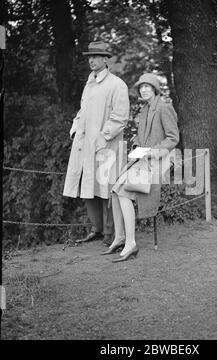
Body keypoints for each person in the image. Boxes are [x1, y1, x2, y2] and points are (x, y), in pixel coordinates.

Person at [101, 73, 180, 262]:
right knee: (115, 189)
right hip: (143, 159)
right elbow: (139, 137)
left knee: (124, 191)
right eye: (141, 87)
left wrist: (152, 151)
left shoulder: (164, 107)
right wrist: (137, 148)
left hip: (159, 161)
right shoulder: (144, 110)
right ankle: (120, 238)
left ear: (155, 89)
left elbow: (173, 138)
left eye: (147, 87)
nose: (144, 90)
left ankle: (130, 244)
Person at [63, 41, 130, 245]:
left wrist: (103, 137)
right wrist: (75, 129)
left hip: (105, 146)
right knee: (89, 186)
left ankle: (111, 232)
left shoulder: (117, 84)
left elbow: (120, 118)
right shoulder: (89, 82)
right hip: (85, 144)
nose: (91, 60)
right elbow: (82, 111)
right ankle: (97, 229)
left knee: (106, 187)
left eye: (96, 56)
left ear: (105, 59)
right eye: (89, 57)